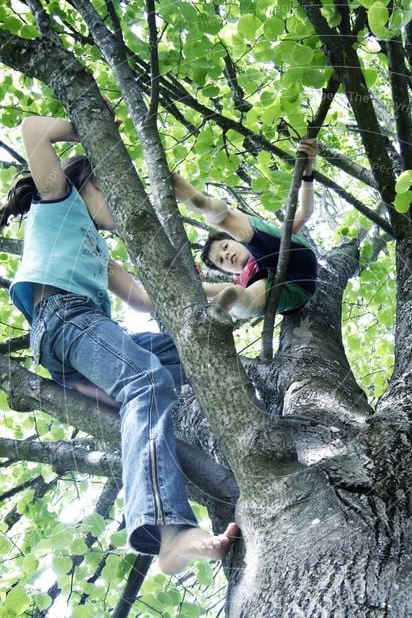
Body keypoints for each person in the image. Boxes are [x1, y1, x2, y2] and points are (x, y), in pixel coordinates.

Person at [0, 113, 238, 575]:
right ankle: (167, 529)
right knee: (148, 380)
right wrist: (89, 125)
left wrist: (220, 292)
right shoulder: (61, 200)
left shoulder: (102, 251)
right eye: (111, 189)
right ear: (89, 183)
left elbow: (146, 302)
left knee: (184, 349)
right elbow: (32, 130)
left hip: (85, 340)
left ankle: (130, 419)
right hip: (64, 320)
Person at [171, 138, 318, 319]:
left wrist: (307, 172)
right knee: (241, 296)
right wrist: (196, 283)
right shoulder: (240, 280)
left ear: (233, 241)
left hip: (295, 257)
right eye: (221, 260)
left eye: (225, 247)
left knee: (246, 233)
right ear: (229, 272)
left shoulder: (271, 241)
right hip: (291, 291)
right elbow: (206, 290)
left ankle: (207, 206)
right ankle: (237, 299)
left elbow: (305, 211)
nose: (226, 255)